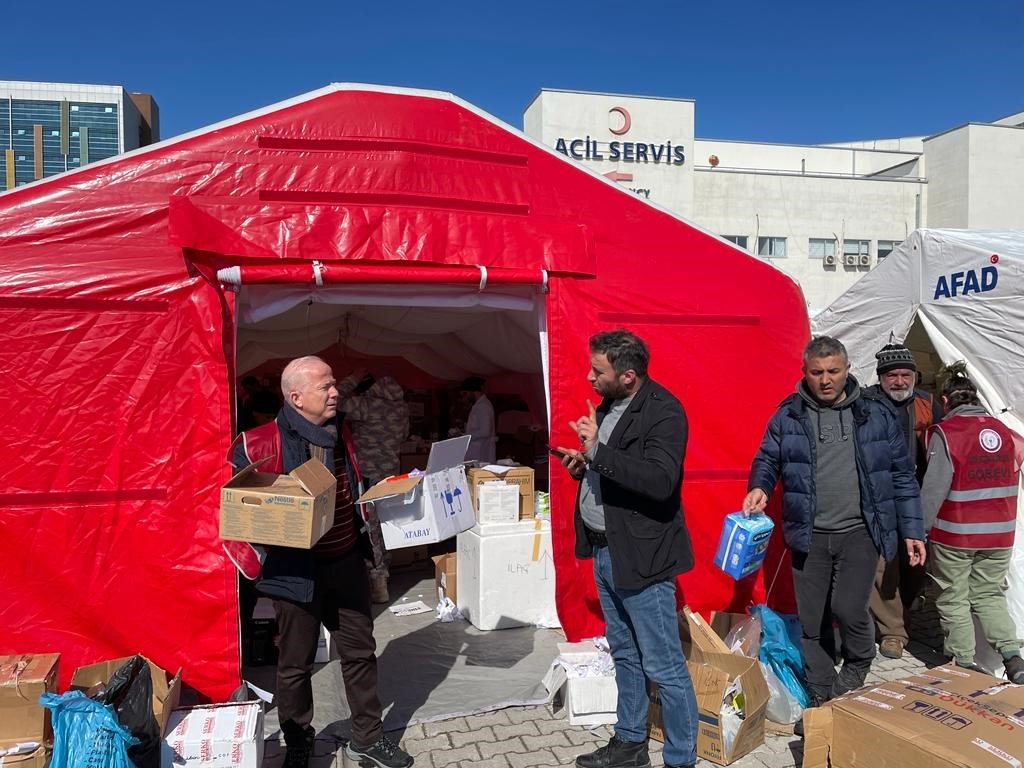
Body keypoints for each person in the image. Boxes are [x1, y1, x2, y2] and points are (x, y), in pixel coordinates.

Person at [231, 356, 413, 768]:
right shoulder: (258, 443)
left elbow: (352, 482)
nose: (335, 393)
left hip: (346, 561)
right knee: (294, 665)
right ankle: (297, 740)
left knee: (360, 652)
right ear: (296, 398)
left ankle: (368, 736)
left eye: (334, 385)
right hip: (295, 573)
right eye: (325, 387)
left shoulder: (340, 430)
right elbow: (237, 510)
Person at [742, 336, 926, 717]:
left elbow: (902, 476)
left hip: (860, 530)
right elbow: (766, 459)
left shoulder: (875, 414)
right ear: (805, 372)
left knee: (847, 606)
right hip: (808, 534)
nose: (826, 380)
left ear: (846, 370)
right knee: (812, 620)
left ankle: (859, 660)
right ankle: (822, 696)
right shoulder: (788, 415)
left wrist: (912, 529)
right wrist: (759, 486)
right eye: (817, 372)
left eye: (833, 371)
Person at [555, 329, 698, 768]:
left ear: (629, 375)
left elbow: (659, 482)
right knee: (625, 654)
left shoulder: (665, 412)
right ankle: (630, 743)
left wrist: (597, 452)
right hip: (605, 551)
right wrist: (584, 465)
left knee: (664, 664)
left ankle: (680, 758)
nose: (589, 376)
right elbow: (613, 471)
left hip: (642, 556)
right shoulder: (611, 404)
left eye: (598, 371)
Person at [919, 363, 1024, 682]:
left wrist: (919, 530)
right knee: (988, 594)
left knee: (953, 596)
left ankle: (961, 662)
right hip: (1000, 535)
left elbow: (934, 488)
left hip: (957, 534)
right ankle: (1013, 657)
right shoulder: (1004, 431)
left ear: (946, 400)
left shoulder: (947, 434)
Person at [864, 339, 942, 658]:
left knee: (914, 563)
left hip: (919, 495)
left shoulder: (927, 403)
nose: (899, 381)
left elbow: (945, 442)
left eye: (904, 375)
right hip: (879, 496)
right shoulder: (865, 404)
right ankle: (892, 631)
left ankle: (908, 606)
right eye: (892, 375)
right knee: (882, 565)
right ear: (881, 378)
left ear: (914, 376)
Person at [339, 372, 410, 604]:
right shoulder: (402, 408)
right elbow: (405, 435)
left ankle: (377, 580)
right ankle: (385, 572)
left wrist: (352, 380)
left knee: (369, 527)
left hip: (368, 474)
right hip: (391, 472)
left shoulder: (366, 404)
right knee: (385, 524)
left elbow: (334, 401)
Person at [461, 376, 496, 463]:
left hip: (481, 452)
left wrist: (466, 436)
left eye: (466, 393)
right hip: (477, 451)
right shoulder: (479, 405)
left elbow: (485, 431)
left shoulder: (483, 406)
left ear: (473, 392)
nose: (466, 397)